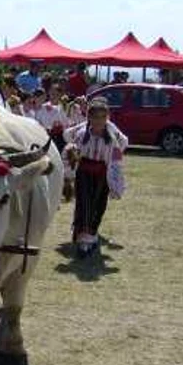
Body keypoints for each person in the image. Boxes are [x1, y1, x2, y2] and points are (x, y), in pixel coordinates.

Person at [63, 97, 127, 257]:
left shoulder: (112, 137)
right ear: (89, 118)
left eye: (103, 118)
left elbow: (123, 143)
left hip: (101, 176)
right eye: (95, 117)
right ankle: (83, 238)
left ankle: (91, 234)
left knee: (98, 205)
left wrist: (115, 181)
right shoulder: (81, 134)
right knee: (84, 204)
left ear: (107, 118)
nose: (99, 121)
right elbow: (67, 137)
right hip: (83, 174)